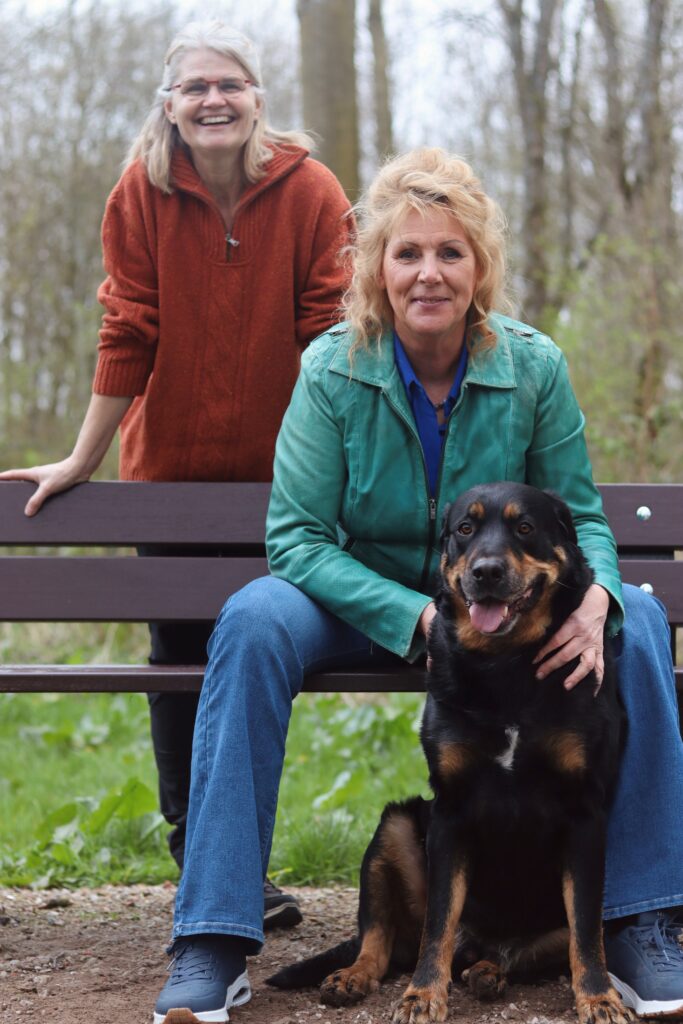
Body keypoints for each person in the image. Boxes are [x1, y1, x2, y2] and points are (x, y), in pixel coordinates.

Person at [151, 147, 683, 1024]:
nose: (427, 273)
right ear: (376, 269)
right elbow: (295, 537)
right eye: (407, 253)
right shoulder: (332, 369)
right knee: (250, 619)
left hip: (503, 610)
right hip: (361, 603)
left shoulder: (532, 366)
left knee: (638, 617)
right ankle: (211, 936)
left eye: (449, 253)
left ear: (479, 268)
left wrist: (600, 596)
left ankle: (640, 922)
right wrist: (417, 616)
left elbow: (582, 519)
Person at [0, 20, 353, 928]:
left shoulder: (311, 191)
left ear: (257, 96)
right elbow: (128, 328)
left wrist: (343, 461)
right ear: (169, 102)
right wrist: (85, 457)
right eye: (193, 86)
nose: (212, 100)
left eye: (229, 84)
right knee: (179, 663)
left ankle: (237, 853)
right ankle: (203, 857)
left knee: (255, 662)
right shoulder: (141, 192)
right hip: (172, 478)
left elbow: (333, 336)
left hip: (289, 484)